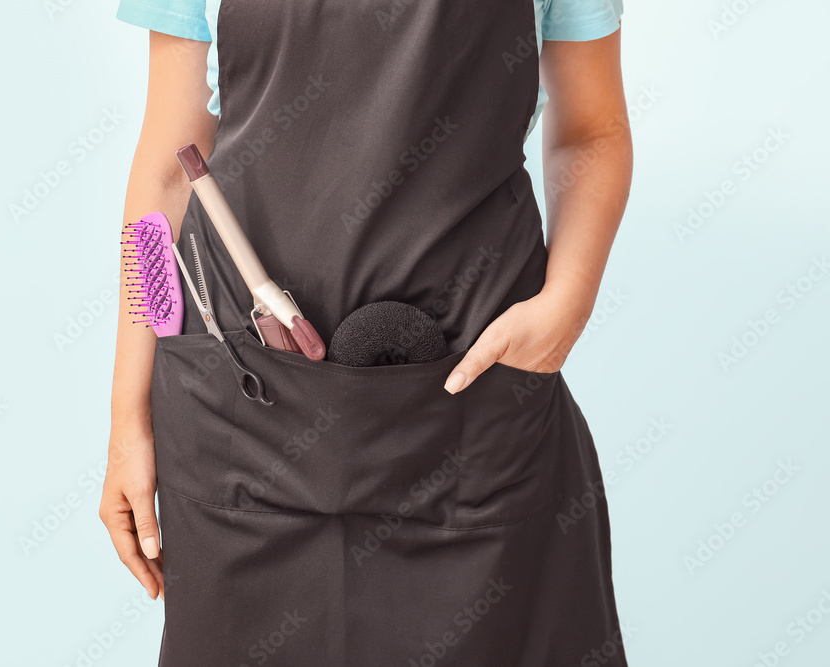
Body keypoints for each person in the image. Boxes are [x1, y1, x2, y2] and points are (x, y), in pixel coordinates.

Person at [100, 1, 633, 664]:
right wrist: (129, 420)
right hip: (240, 416)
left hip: (473, 415)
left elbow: (592, 129)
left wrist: (567, 307)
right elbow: (166, 174)